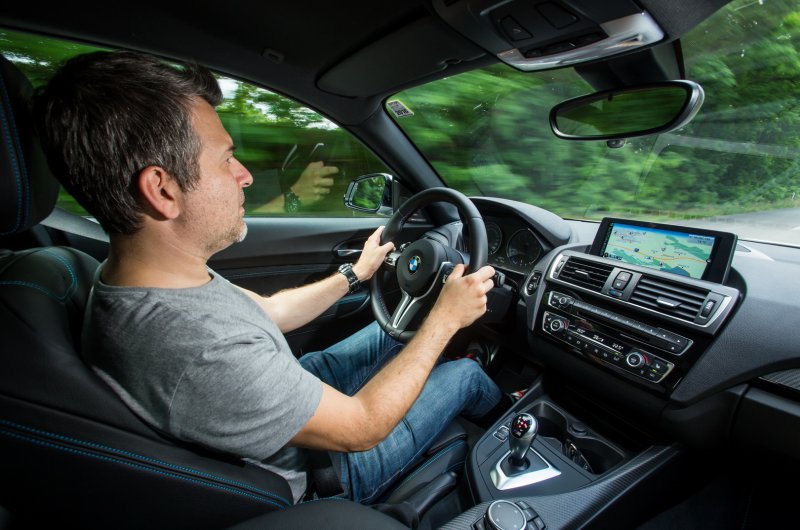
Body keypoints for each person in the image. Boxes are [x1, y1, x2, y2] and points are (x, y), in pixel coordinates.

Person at [32, 50, 506, 505]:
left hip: (287, 389)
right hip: (326, 468)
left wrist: (355, 274)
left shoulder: (151, 278)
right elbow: (362, 426)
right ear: (162, 190)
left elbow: (270, 311)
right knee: (463, 373)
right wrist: (447, 318)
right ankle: (514, 413)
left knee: (400, 331)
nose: (245, 176)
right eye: (225, 159)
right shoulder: (195, 344)